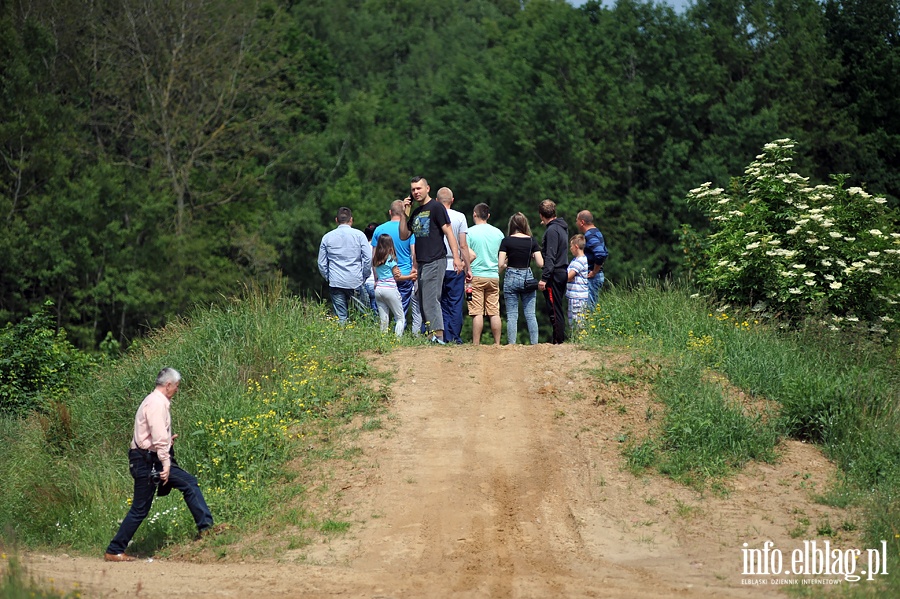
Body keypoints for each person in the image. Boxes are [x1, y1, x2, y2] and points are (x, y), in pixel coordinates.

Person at [105, 368, 216, 561]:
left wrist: (166, 442)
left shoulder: (153, 401)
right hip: (148, 461)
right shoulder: (157, 404)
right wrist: (166, 464)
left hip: (148, 458)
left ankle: (206, 527)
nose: (177, 390)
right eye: (177, 387)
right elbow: (157, 439)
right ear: (169, 385)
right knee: (141, 508)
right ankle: (114, 550)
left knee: (188, 483)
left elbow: (155, 437)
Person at [398, 176, 463, 344]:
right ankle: (431, 335)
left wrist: (456, 257)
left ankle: (438, 337)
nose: (416, 192)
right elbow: (404, 235)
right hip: (422, 262)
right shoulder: (417, 212)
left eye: (419, 188)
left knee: (431, 298)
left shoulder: (436, 208)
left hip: (436, 259)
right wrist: (404, 213)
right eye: (413, 189)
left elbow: (449, 232)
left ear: (428, 189)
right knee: (421, 299)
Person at [372, 201, 420, 333]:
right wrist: (414, 270)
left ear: (390, 212)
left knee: (384, 314)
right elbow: (414, 252)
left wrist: (377, 279)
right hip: (404, 275)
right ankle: (397, 339)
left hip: (383, 280)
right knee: (401, 312)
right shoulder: (409, 230)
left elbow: (374, 256)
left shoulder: (379, 230)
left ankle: (384, 338)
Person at [317, 207, 372, 324]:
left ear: (336, 220)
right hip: (355, 280)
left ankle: (341, 340)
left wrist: (328, 277)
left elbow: (321, 263)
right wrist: (364, 276)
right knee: (365, 315)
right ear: (351, 220)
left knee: (340, 317)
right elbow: (368, 258)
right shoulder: (359, 235)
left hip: (336, 281)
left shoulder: (327, 237)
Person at [498, 212, 544, 345]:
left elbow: (501, 264)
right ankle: (534, 344)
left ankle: (512, 344)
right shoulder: (531, 241)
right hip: (527, 278)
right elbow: (540, 263)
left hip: (511, 276)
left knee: (512, 315)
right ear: (524, 224)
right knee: (530, 314)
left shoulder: (506, 241)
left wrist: (506, 264)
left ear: (512, 225)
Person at [466, 203, 505, 345]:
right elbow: (503, 256)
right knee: (494, 311)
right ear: (488, 216)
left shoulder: (469, 232)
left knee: (477, 312)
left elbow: (466, 254)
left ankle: (476, 344)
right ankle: (497, 343)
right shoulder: (499, 233)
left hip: (475, 276)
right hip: (493, 276)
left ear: (474, 215)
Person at [437, 187, 472, 344]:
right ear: (452, 200)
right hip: (455, 264)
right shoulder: (460, 217)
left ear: (437, 201)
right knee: (455, 302)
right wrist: (468, 267)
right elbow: (463, 245)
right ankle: (454, 336)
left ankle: (442, 336)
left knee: (440, 302)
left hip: (437, 264)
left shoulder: (433, 215)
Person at [537, 199, 569, 344]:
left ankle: (558, 341)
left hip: (554, 274)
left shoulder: (551, 231)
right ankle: (559, 339)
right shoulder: (562, 228)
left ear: (541, 215)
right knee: (557, 307)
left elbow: (551, 256)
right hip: (563, 271)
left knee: (554, 310)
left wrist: (544, 278)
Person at [373, 234, 417, 336]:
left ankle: (383, 340)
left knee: (383, 319)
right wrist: (411, 276)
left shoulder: (376, 259)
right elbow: (397, 277)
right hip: (390, 289)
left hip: (379, 289)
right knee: (400, 317)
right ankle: (397, 340)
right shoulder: (390, 259)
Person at [576, 210, 609, 311]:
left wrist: (594, 271)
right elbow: (605, 252)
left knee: (589, 310)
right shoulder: (597, 232)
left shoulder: (589, 235)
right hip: (597, 276)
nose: (576, 223)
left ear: (582, 222)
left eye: (576, 221)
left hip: (592, 278)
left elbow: (601, 254)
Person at [567, 234, 589, 329]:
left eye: (571, 246)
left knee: (578, 323)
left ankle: (580, 341)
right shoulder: (575, 260)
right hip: (574, 297)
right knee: (572, 323)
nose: (570, 248)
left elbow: (568, 276)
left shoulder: (580, 261)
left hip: (578, 298)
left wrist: (567, 277)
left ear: (576, 247)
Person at [362, 222, 380, 316]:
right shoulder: (379, 248)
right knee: (377, 312)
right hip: (376, 282)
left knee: (365, 313)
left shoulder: (362, 246)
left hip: (364, 283)